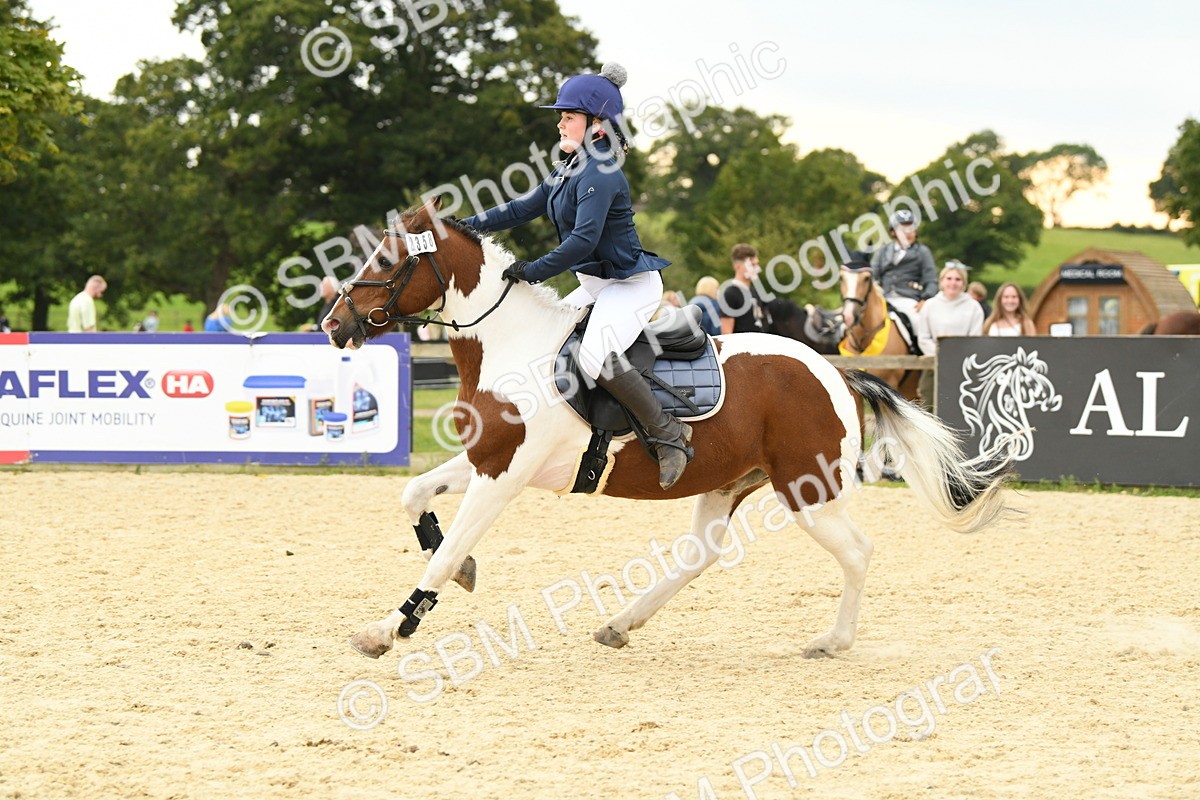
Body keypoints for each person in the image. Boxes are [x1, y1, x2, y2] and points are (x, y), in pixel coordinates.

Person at [460, 63, 690, 489]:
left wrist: (531, 271)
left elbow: (583, 242)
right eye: (561, 115)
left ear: (597, 123)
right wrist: (466, 226)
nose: (560, 121)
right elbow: (519, 208)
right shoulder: (569, 168)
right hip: (595, 286)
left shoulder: (601, 172)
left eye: (568, 115)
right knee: (548, 347)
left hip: (630, 288)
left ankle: (670, 436)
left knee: (593, 356)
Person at [916, 262, 984, 409]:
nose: (953, 283)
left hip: (963, 367)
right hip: (934, 364)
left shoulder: (973, 307)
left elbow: (974, 338)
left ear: (964, 283)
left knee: (959, 409)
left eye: (957, 279)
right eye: (949, 278)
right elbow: (923, 337)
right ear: (942, 281)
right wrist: (940, 355)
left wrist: (956, 356)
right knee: (928, 407)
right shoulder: (930, 305)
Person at [870, 210, 937, 337]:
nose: (907, 233)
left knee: (919, 325)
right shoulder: (883, 251)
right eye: (902, 229)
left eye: (911, 228)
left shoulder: (922, 252)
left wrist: (926, 299)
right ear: (893, 232)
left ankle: (923, 353)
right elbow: (872, 275)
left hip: (909, 299)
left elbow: (932, 280)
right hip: (883, 298)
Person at [720, 243, 765, 334]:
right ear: (737, 266)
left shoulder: (755, 291)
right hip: (741, 347)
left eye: (757, 264)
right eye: (752, 265)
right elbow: (727, 333)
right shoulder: (730, 293)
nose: (756, 268)